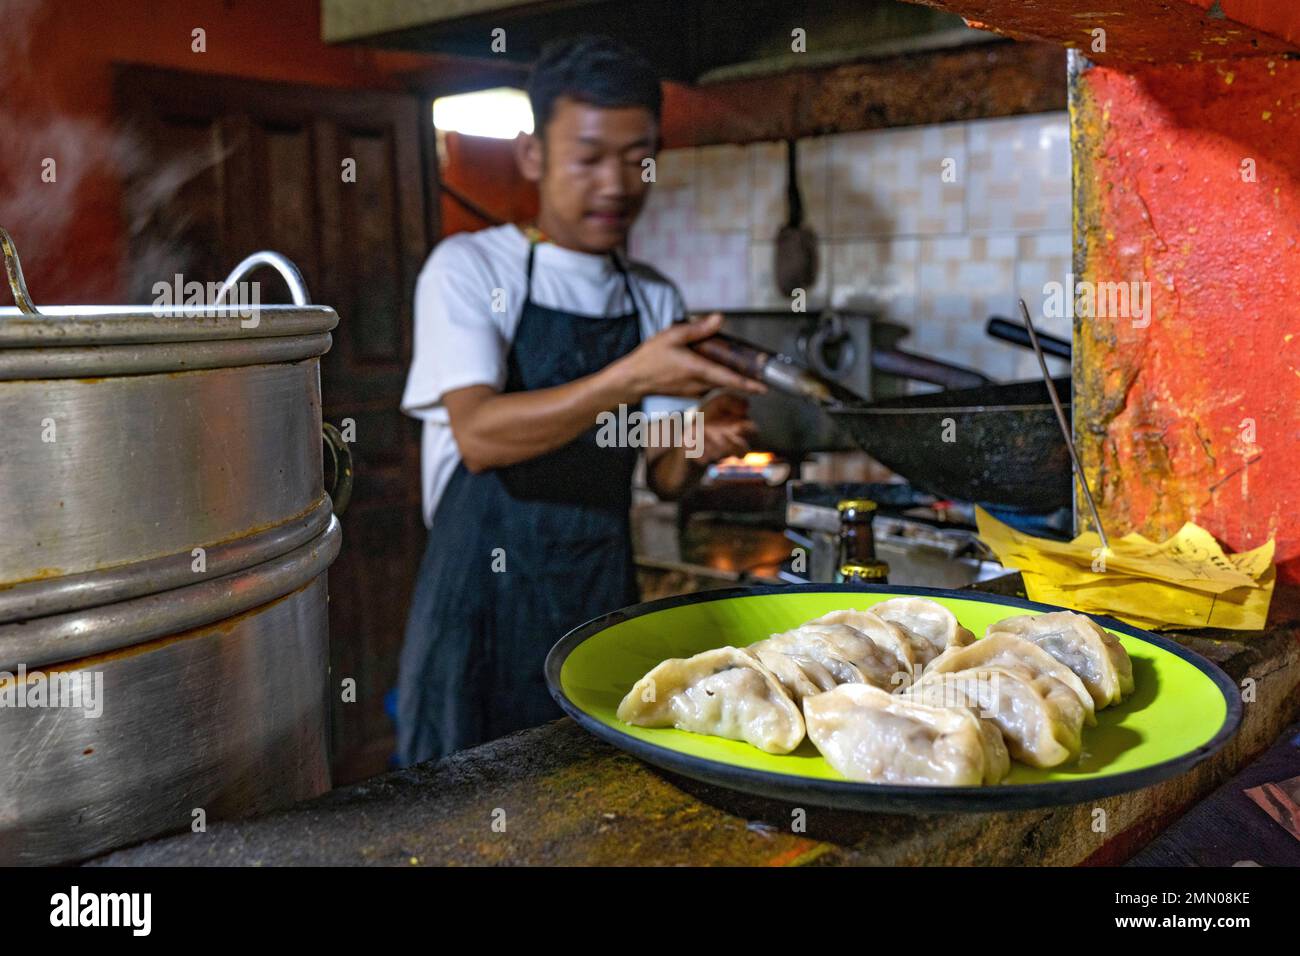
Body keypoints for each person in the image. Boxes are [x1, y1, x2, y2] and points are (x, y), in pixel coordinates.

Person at [396, 35, 764, 766]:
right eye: (590, 156)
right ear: (533, 154)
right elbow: (481, 436)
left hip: (596, 590)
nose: (617, 184)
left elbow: (661, 475)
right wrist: (631, 376)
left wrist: (699, 440)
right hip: (480, 602)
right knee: (462, 805)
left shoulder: (652, 295)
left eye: (638, 157)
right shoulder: (471, 267)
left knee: (589, 791)